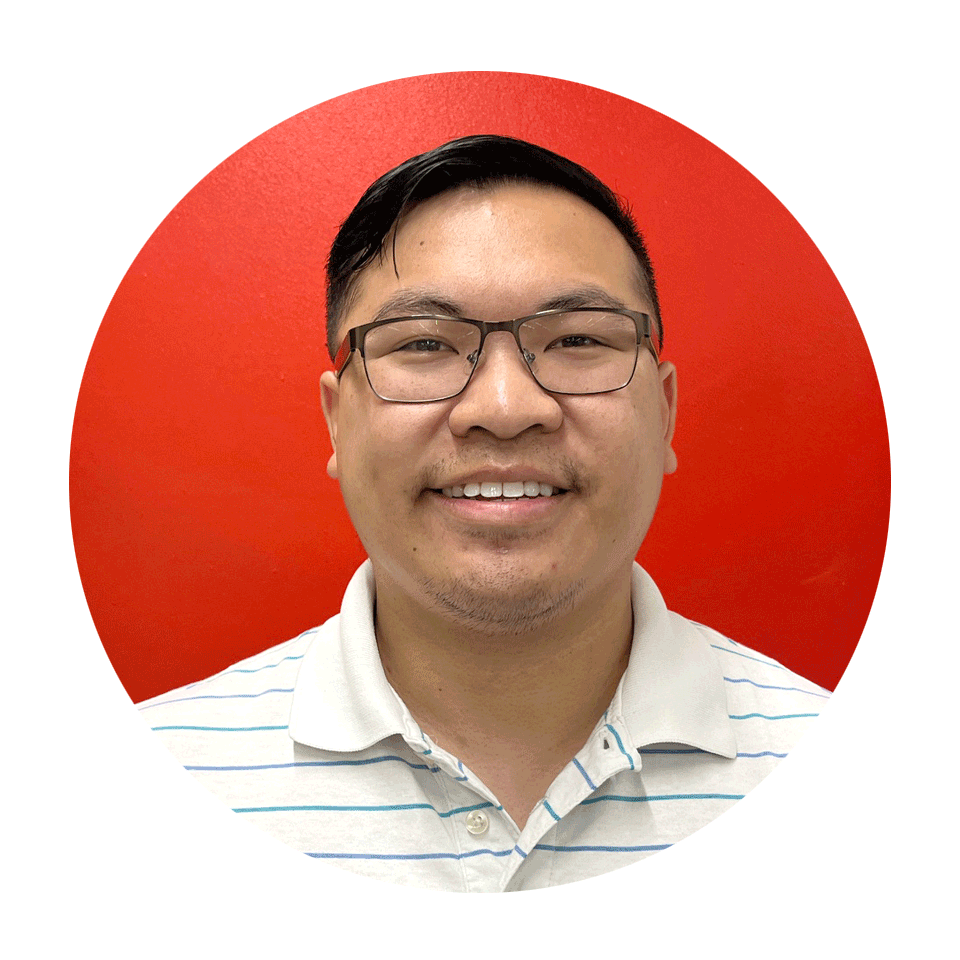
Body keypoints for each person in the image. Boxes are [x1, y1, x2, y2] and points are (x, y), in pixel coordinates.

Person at [140, 134, 829, 892]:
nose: (504, 408)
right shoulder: (146, 783)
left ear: (664, 413)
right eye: (425, 343)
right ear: (337, 423)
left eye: (576, 339)